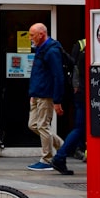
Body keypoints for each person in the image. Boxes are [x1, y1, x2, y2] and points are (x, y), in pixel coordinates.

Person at [26, 23, 72, 174]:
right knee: (33, 125)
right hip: (37, 93)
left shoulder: (51, 51)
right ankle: (63, 147)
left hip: (46, 95)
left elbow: (58, 76)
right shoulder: (41, 48)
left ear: (41, 34)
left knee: (43, 126)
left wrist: (57, 100)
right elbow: (38, 73)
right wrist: (33, 93)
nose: (30, 38)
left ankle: (46, 160)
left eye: (32, 35)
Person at [52, 38, 87, 173]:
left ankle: (62, 155)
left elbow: (74, 68)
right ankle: (61, 156)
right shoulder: (86, 48)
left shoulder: (81, 46)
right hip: (88, 93)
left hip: (82, 92)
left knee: (80, 127)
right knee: (80, 128)